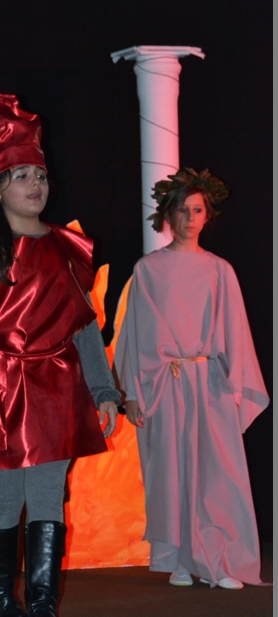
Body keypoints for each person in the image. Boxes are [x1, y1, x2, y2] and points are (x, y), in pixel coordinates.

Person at [0, 94, 120, 617]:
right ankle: (4, 609)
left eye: (39, 175)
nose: (34, 184)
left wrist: (103, 389)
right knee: (4, 498)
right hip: (0, 390)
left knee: (47, 497)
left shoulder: (66, 247)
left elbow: (82, 326)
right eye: (20, 176)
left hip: (58, 388)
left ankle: (41, 611)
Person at [114, 167, 269, 590]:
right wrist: (132, 393)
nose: (189, 218)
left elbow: (235, 331)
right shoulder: (148, 269)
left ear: (207, 215)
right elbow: (135, 335)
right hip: (166, 384)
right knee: (171, 473)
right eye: (181, 210)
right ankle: (179, 558)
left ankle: (220, 561)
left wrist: (235, 386)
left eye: (197, 210)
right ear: (168, 215)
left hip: (210, 383)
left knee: (218, 474)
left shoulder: (220, 270)